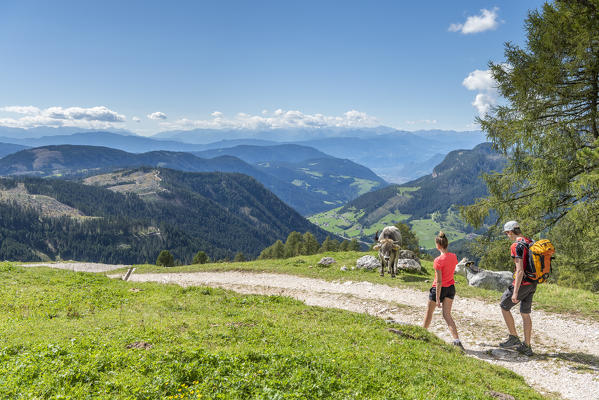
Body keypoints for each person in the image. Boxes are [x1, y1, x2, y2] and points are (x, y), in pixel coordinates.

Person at [499, 220, 535, 356]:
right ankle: (527, 345)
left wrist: (515, 292)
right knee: (525, 314)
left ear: (510, 232)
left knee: (504, 305)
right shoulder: (530, 241)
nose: (507, 236)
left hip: (522, 284)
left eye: (506, 233)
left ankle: (513, 337)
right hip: (533, 282)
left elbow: (519, 271)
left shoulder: (516, 245)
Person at [423, 231, 463, 349]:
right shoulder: (454, 257)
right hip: (451, 288)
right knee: (447, 315)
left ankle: (422, 333)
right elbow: (451, 271)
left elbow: (439, 281)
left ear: (438, 245)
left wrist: (437, 298)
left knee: (429, 313)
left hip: (438, 289)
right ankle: (457, 340)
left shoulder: (438, 260)